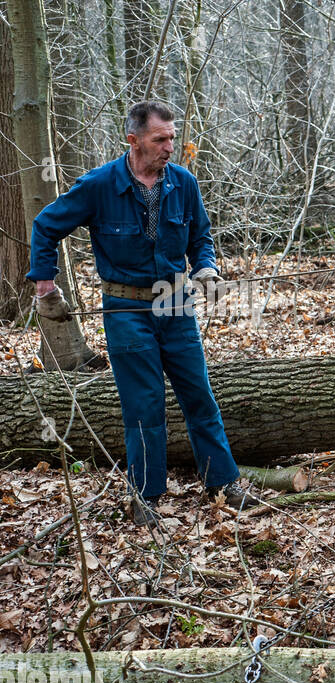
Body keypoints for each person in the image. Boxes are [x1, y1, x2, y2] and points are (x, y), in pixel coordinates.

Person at [27, 101, 261, 527]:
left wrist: (207, 267)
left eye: (172, 137)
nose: (170, 146)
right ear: (134, 140)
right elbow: (46, 225)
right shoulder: (100, 185)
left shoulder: (184, 183)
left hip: (175, 302)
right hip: (125, 306)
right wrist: (45, 285)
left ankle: (224, 483)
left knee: (199, 395)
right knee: (144, 404)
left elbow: (200, 237)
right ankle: (146, 495)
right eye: (160, 139)